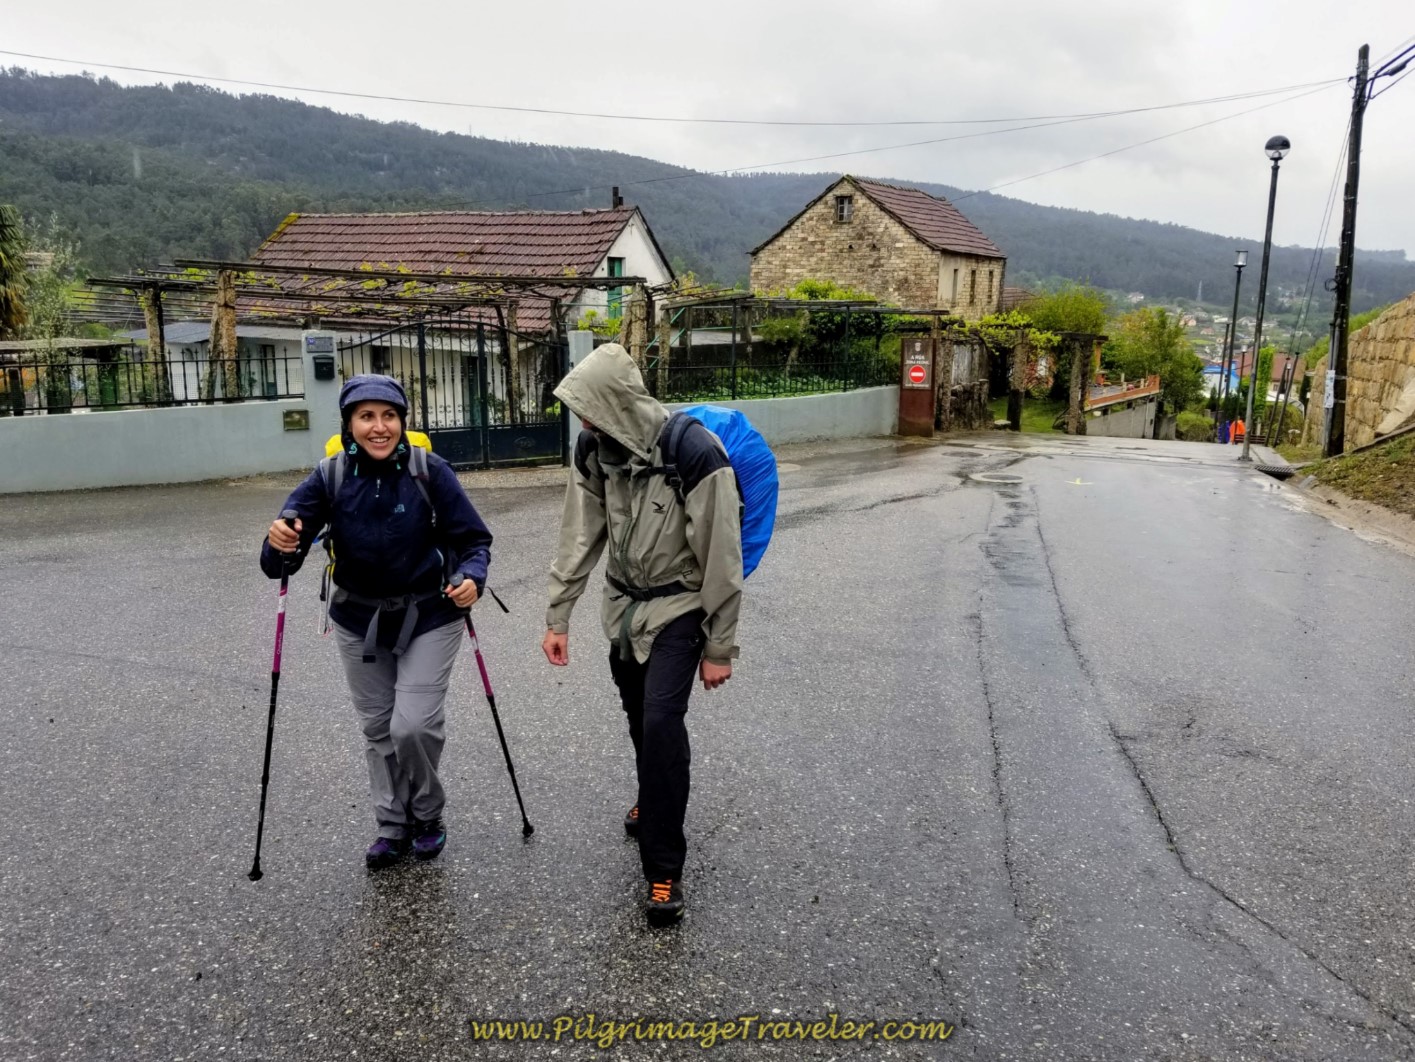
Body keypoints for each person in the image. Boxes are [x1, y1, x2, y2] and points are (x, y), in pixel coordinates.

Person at [541, 343, 743, 925]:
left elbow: (721, 559)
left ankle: (663, 870)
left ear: (615, 402)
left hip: (680, 607)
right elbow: (580, 537)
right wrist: (559, 617)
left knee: (660, 721)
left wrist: (719, 646)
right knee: (639, 721)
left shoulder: (694, 452)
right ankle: (652, 798)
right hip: (623, 609)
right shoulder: (594, 450)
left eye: (588, 407)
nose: (581, 420)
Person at [261, 374, 493, 870]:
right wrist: (279, 540)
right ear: (349, 424)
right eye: (366, 416)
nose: (379, 427)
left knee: (411, 726)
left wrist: (472, 575)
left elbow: (474, 540)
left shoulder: (430, 471)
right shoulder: (330, 476)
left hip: (430, 613)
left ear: (403, 422)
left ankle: (427, 815)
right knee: (378, 729)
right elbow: (283, 552)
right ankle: (393, 825)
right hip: (357, 618)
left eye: (389, 416)